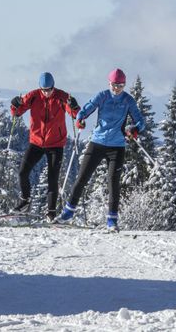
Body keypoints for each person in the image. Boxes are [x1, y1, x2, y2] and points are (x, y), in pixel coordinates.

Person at [59, 68, 145, 231]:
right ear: (109, 83)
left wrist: (135, 129)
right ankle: (68, 212)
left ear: (124, 85)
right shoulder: (102, 96)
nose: (116, 89)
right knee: (82, 177)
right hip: (97, 142)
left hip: (117, 146)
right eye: (114, 85)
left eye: (120, 85)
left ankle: (112, 220)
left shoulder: (128, 100)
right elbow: (84, 111)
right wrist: (80, 119)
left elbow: (140, 121)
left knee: (113, 183)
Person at [11, 72, 81, 219]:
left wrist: (74, 107)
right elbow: (17, 112)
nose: (46, 93)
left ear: (53, 87)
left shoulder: (62, 97)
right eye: (44, 90)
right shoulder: (34, 96)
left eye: (49, 89)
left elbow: (75, 114)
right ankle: (24, 201)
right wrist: (15, 104)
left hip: (55, 144)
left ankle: (51, 213)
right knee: (23, 172)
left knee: (52, 179)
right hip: (36, 143)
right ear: (40, 88)